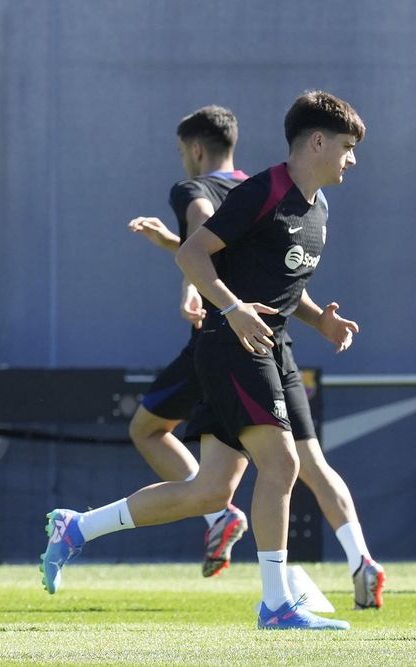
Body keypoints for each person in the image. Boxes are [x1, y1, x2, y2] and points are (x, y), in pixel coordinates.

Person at [43, 91, 380, 630]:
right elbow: (191, 253)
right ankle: (276, 604)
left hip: (269, 344)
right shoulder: (262, 190)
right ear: (317, 141)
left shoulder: (318, 206)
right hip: (233, 344)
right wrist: (233, 306)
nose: (353, 158)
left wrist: (323, 321)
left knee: (210, 491)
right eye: (347, 146)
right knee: (284, 466)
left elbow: (287, 286)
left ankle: (77, 529)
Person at [126, 105, 251, 577]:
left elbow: (201, 233)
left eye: (183, 152)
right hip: (262, 340)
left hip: (215, 337)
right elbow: (231, 252)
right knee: (298, 460)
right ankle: (354, 558)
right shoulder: (257, 190)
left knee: (146, 429)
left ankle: (218, 513)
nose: (183, 160)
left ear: (196, 149)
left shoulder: (192, 188)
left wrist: (190, 286)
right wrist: (168, 244)